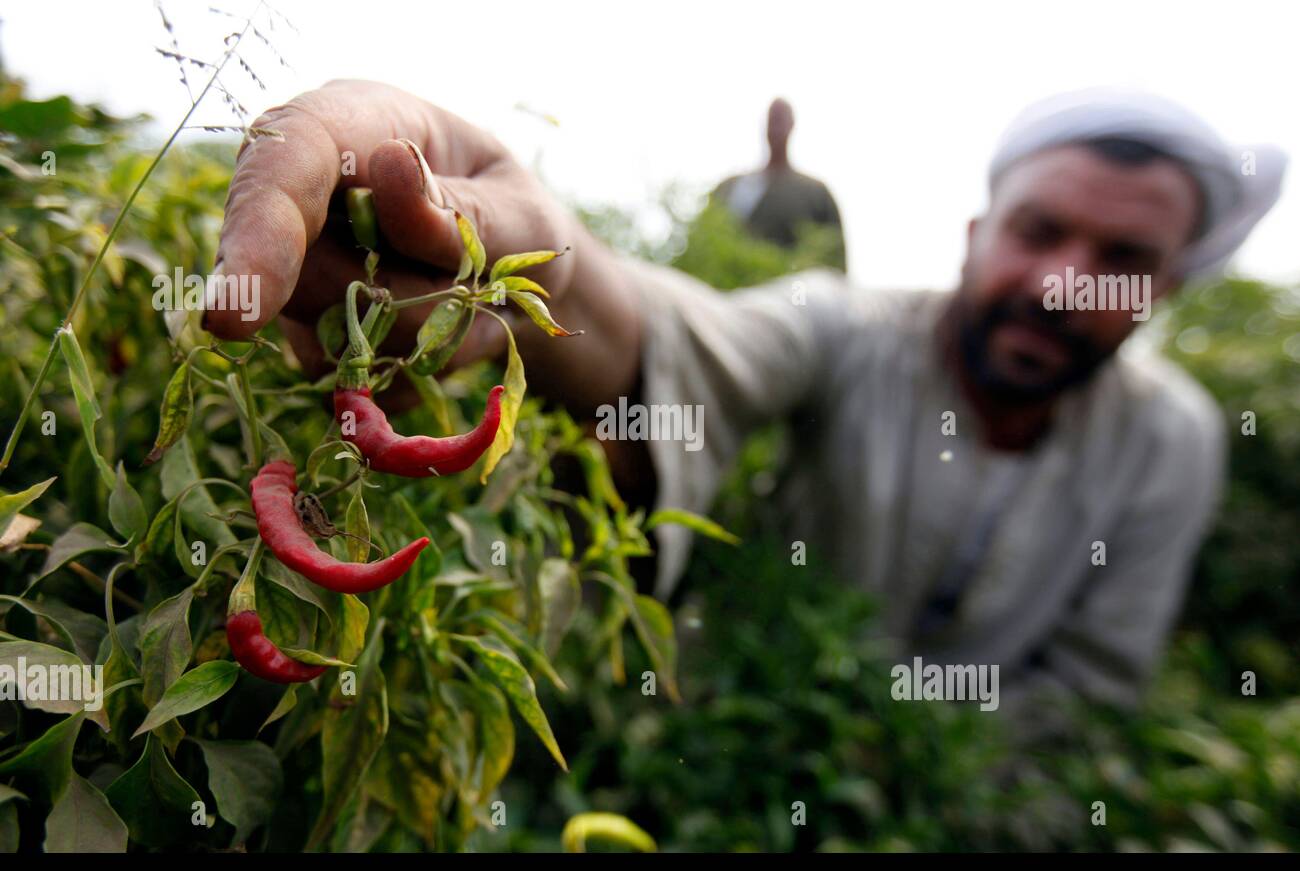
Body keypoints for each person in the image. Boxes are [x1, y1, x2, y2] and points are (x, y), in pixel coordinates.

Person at [202, 82, 1285, 723]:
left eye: (1122, 258)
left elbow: (1087, 699)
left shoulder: (1172, 441)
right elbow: (674, 341)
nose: (1060, 283)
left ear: (1169, 291)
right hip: (719, 724)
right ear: (973, 235)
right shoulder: (847, 328)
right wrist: (549, 272)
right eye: (1039, 232)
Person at [710, 98, 847, 270]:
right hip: (724, 288)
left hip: (791, 290)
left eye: (780, 120)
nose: (775, 127)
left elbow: (835, 260)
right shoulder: (729, 186)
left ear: (792, 125)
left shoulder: (815, 193)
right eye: (771, 120)